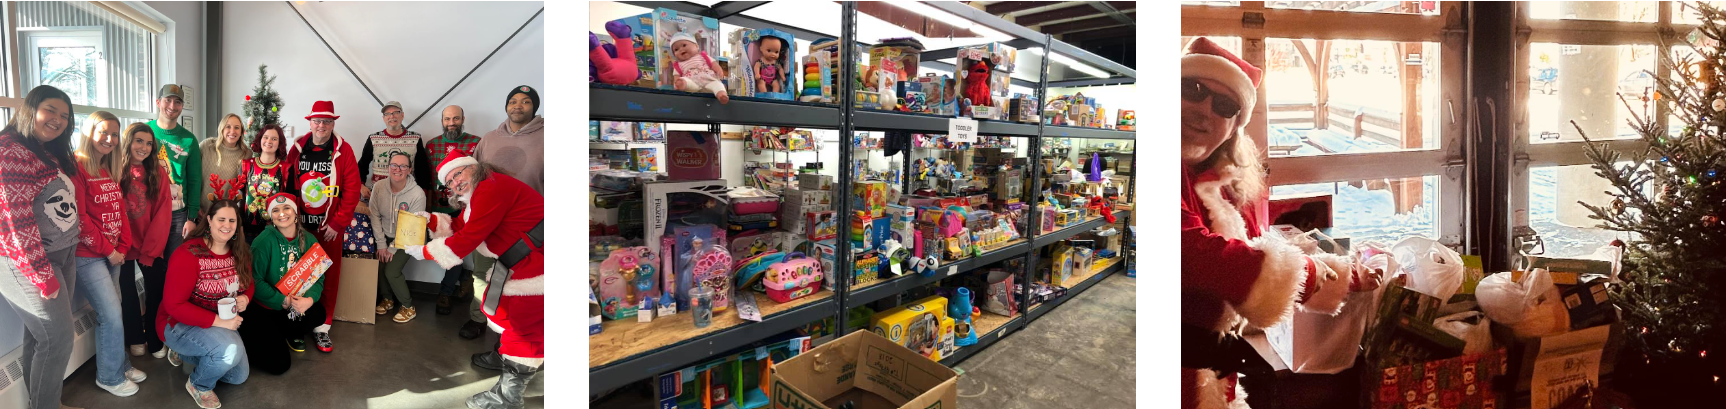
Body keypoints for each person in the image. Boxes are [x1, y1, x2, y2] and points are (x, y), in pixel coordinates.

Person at [1178, 37, 1380, 409]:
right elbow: (1196, 255)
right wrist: (1319, 274)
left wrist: (1342, 274)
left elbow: (1256, 248)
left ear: (1234, 126)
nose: (1204, 110)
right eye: (1193, 89)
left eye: (1224, 105)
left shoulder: (1225, 183)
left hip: (1212, 375)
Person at [407, 150, 543, 409]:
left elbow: (468, 238)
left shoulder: (490, 188)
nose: (455, 182)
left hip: (538, 262)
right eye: (448, 182)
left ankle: (507, 398)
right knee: (497, 310)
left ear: (473, 167)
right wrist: (432, 220)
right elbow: (462, 226)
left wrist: (424, 251)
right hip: (517, 262)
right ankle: (505, 356)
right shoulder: (481, 192)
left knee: (524, 328)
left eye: (457, 173)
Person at [0, 85, 84, 409]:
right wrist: (41, 274)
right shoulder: (11, 151)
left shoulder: (43, 149)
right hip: (31, 262)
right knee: (59, 339)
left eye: (65, 116)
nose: (58, 120)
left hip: (62, 254)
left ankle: (43, 403)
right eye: (51, 110)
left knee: (40, 338)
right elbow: (14, 221)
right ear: (30, 108)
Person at [71, 110, 150, 397]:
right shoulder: (77, 167)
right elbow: (79, 219)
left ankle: (120, 363)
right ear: (89, 131)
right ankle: (109, 376)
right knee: (112, 314)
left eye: (115, 134)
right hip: (89, 255)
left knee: (112, 311)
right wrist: (109, 250)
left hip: (114, 253)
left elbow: (120, 212)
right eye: (103, 132)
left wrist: (123, 247)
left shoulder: (108, 168)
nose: (109, 139)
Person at [463, 86, 542, 344]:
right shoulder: (489, 138)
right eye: (513, 101)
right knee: (480, 274)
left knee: (520, 281)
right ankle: (478, 318)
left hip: (528, 228)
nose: (518, 106)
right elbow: (472, 178)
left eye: (526, 101)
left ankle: (515, 333)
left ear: (535, 107)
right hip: (488, 223)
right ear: (506, 106)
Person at [158, 199, 252, 409]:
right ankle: (198, 384)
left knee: (238, 376)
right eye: (221, 219)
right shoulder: (188, 254)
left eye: (232, 220)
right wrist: (219, 321)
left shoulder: (239, 251)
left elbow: (249, 283)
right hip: (178, 323)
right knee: (229, 352)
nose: (226, 225)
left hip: (218, 323)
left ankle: (187, 352)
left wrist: (246, 297)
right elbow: (174, 305)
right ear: (209, 220)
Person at [284, 100, 361, 353]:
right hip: (299, 227)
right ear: (310, 122)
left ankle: (322, 327)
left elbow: (351, 190)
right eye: (317, 120)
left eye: (327, 121)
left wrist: (338, 223)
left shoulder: (344, 151)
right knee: (296, 275)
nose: (321, 125)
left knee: (328, 276)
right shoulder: (297, 148)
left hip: (329, 228)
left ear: (333, 124)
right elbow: (287, 183)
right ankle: (294, 324)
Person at [240, 193, 327, 374]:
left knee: (318, 312)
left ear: (295, 213)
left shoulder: (310, 240)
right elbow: (254, 281)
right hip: (265, 309)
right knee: (279, 365)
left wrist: (308, 300)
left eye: (286, 208)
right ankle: (256, 340)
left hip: (290, 309)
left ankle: (283, 333)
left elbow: (318, 277)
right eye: (276, 210)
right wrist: (282, 301)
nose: (282, 214)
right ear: (271, 216)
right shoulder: (263, 242)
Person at [149, 83, 200, 358]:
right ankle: (155, 329)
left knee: (174, 274)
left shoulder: (189, 140)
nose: (172, 106)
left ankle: (173, 330)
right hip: (148, 213)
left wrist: (192, 216)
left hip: (178, 215)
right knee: (152, 272)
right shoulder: (145, 131)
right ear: (158, 102)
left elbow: (194, 179)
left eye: (178, 102)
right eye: (168, 100)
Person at [119, 122, 173, 360]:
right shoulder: (114, 169)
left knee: (156, 290)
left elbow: (163, 212)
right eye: (138, 141)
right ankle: (134, 338)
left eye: (149, 143)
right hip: (121, 244)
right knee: (127, 292)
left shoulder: (157, 172)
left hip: (148, 244)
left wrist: (151, 249)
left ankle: (154, 337)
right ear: (128, 141)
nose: (143, 147)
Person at [425, 105, 482, 316]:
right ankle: (464, 277)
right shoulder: (431, 145)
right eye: (447, 119)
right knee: (440, 249)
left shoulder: (476, 143)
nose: (451, 123)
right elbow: (427, 178)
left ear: (463, 119)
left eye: (456, 118)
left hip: (465, 209)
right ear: (442, 120)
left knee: (454, 250)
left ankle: (445, 293)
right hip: (438, 208)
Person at [371, 152, 426, 323]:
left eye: (403, 166)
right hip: (385, 235)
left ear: (409, 169)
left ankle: (408, 307)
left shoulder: (417, 194)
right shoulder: (379, 187)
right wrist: (381, 244)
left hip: (408, 239)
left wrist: (392, 248)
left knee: (392, 271)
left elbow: (412, 227)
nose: (397, 169)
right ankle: (387, 299)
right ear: (388, 168)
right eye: (394, 165)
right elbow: (374, 214)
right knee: (379, 265)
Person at [356, 101, 434, 191]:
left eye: (396, 113)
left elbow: (422, 168)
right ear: (384, 118)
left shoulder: (415, 139)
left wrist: (423, 192)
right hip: (379, 192)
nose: (392, 116)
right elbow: (362, 164)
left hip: (407, 192)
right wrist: (361, 185)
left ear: (402, 115)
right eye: (388, 114)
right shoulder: (373, 139)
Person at [240, 123, 296, 241]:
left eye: (274, 139)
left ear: (279, 143)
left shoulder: (287, 169)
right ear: (260, 140)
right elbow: (240, 198)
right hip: (247, 230)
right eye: (265, 137)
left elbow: (291, 203)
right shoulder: (246, 165)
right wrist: (239, 226)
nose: (269, 141)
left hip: (275, 231)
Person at [199, 114, 252, 212]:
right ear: (222, 128)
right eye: (228, 126)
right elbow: (192, 175)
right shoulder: (207, 146)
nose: (232, 131)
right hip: (199, 209)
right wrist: (195, 207)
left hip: (225, 213)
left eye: (237, 128)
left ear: (241, 132)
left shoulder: (246, 154)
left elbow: (242, 189)